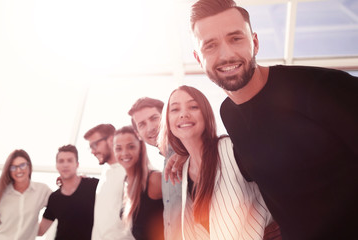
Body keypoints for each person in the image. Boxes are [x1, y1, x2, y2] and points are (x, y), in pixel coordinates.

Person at [187, 0, 358, 239]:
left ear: (254, 42)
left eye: (236, 38)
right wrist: (180, 155)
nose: (226, 54)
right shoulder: (229, 113)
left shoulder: (322, 87)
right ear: (198, 58)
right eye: (210, 46)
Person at [160, 85, 273, 239]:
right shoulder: (185, 169)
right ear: (168, 120)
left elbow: (283, 184)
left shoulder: (232, 149)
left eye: (193, 106)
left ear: (206, 115)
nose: (183, 114)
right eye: (175, 109)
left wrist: (282, 224)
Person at [128, 97, 182, 240]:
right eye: (142, 124)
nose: (150, 127)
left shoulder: (186, 153)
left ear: (167, 118)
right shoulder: (166, 164)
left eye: (154, 118)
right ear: (138, 134)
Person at [0, 149, 51, 240]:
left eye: (22, 165)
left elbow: (61, 205)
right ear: (9, 171)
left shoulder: (42, 190)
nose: (18, 170)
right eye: (13, 167)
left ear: (29, 166)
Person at [84, 124, 134, 240]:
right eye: (90, 147)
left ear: (111, 139)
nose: (92, 151)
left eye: (95, 145)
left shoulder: (131, 170)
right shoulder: (106, 170)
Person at [113, 126, 164, 240]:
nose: (124, 153)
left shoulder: (154, 179)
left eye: (131, 147)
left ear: (140, 148)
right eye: (118, 148)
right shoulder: (126, 182)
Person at [38, 144, 98, 240]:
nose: (65, 165)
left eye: (69, 160)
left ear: (77, 164)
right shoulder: (54, 198)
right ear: (57, 165)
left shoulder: (93, 185)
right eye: (61, 161)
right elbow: (41, 231)